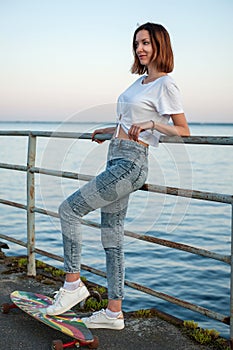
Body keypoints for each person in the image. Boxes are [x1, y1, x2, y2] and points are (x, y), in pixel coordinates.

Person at [46, 22, 190, 330]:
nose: (140, 48)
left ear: (160, 46)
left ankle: (72, 285)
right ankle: (114, 313)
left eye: (147, 43)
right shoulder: (139, 84)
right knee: (111, 237)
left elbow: (183, 129)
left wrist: (154, 126)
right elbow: (132, 121)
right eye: (137, 43)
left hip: (132, 164)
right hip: (116, 157)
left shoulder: (166, 84)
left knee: (68, 209)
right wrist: (110, 131)